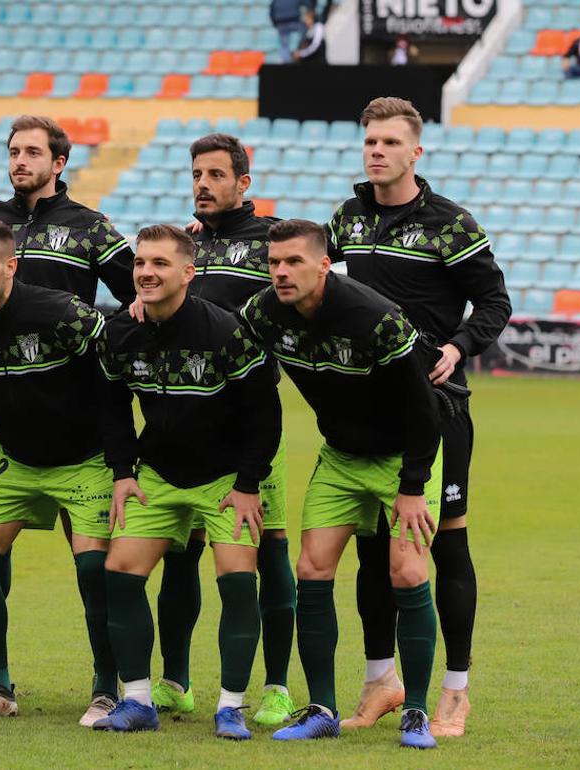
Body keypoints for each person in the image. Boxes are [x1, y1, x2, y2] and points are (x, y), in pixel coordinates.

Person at [326, 96, 511, 738]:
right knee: (372, 553)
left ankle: (455, 692)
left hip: (435, 408)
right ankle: (381, 682)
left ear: (415, 151)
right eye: (369, 141)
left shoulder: (450, 225)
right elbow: (312, 279)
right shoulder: (346, 219)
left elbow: (494, 301)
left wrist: (458, 347)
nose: (377, 151)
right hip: (363, 413)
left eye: (389, 142)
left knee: (447, 544)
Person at [0, 115, 136, 713]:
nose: (20, 160)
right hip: (6, 417)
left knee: (92, 567)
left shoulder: (89, 226)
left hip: (78, 414)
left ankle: (108, 687)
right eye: (13, 151)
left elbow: (137, 291)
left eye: (32, 152)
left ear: (58, 162)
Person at [241, 219, 442, 750]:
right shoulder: (262, 313)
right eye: (274, 263)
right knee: (311, 568)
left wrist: (413, 486)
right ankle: (323, 710)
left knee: (406, 571)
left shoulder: (374, 316)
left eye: (294, 262)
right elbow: (219, 337)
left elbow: (424, 407)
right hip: (340, 458)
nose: (281, 272)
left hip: (404, 458)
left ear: (324, 264)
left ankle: (416, 712)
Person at [94, 224, 282, 737]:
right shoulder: (120, 332)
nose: (146, 272)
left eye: (159, 263)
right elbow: (111, 406)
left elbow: (264, 414)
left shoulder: (225, 331)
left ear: (187, 273)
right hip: (158, 474)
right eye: (140, 263)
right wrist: (122, 473)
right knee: (120, 573)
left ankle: (230, 708)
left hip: (226, 479)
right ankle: (137, 701)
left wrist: (248, 484)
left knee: (237, 581)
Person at [139, 133, 298, 725]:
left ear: (243, 183)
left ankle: (277, 686)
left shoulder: (271, 242)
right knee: (179, 558)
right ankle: (175, 681)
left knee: (270, 555)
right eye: (196, 174)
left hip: (249, 431)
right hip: (182, 430)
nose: (203, 184)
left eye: (216, 174)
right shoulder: (184, 245)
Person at [0, 219, 117, 725]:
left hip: (85, 461)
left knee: (93, 569)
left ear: (10, 266)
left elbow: (116, 363)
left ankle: (106, 689)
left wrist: (122, 458)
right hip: (18, 463)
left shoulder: (62, 313)